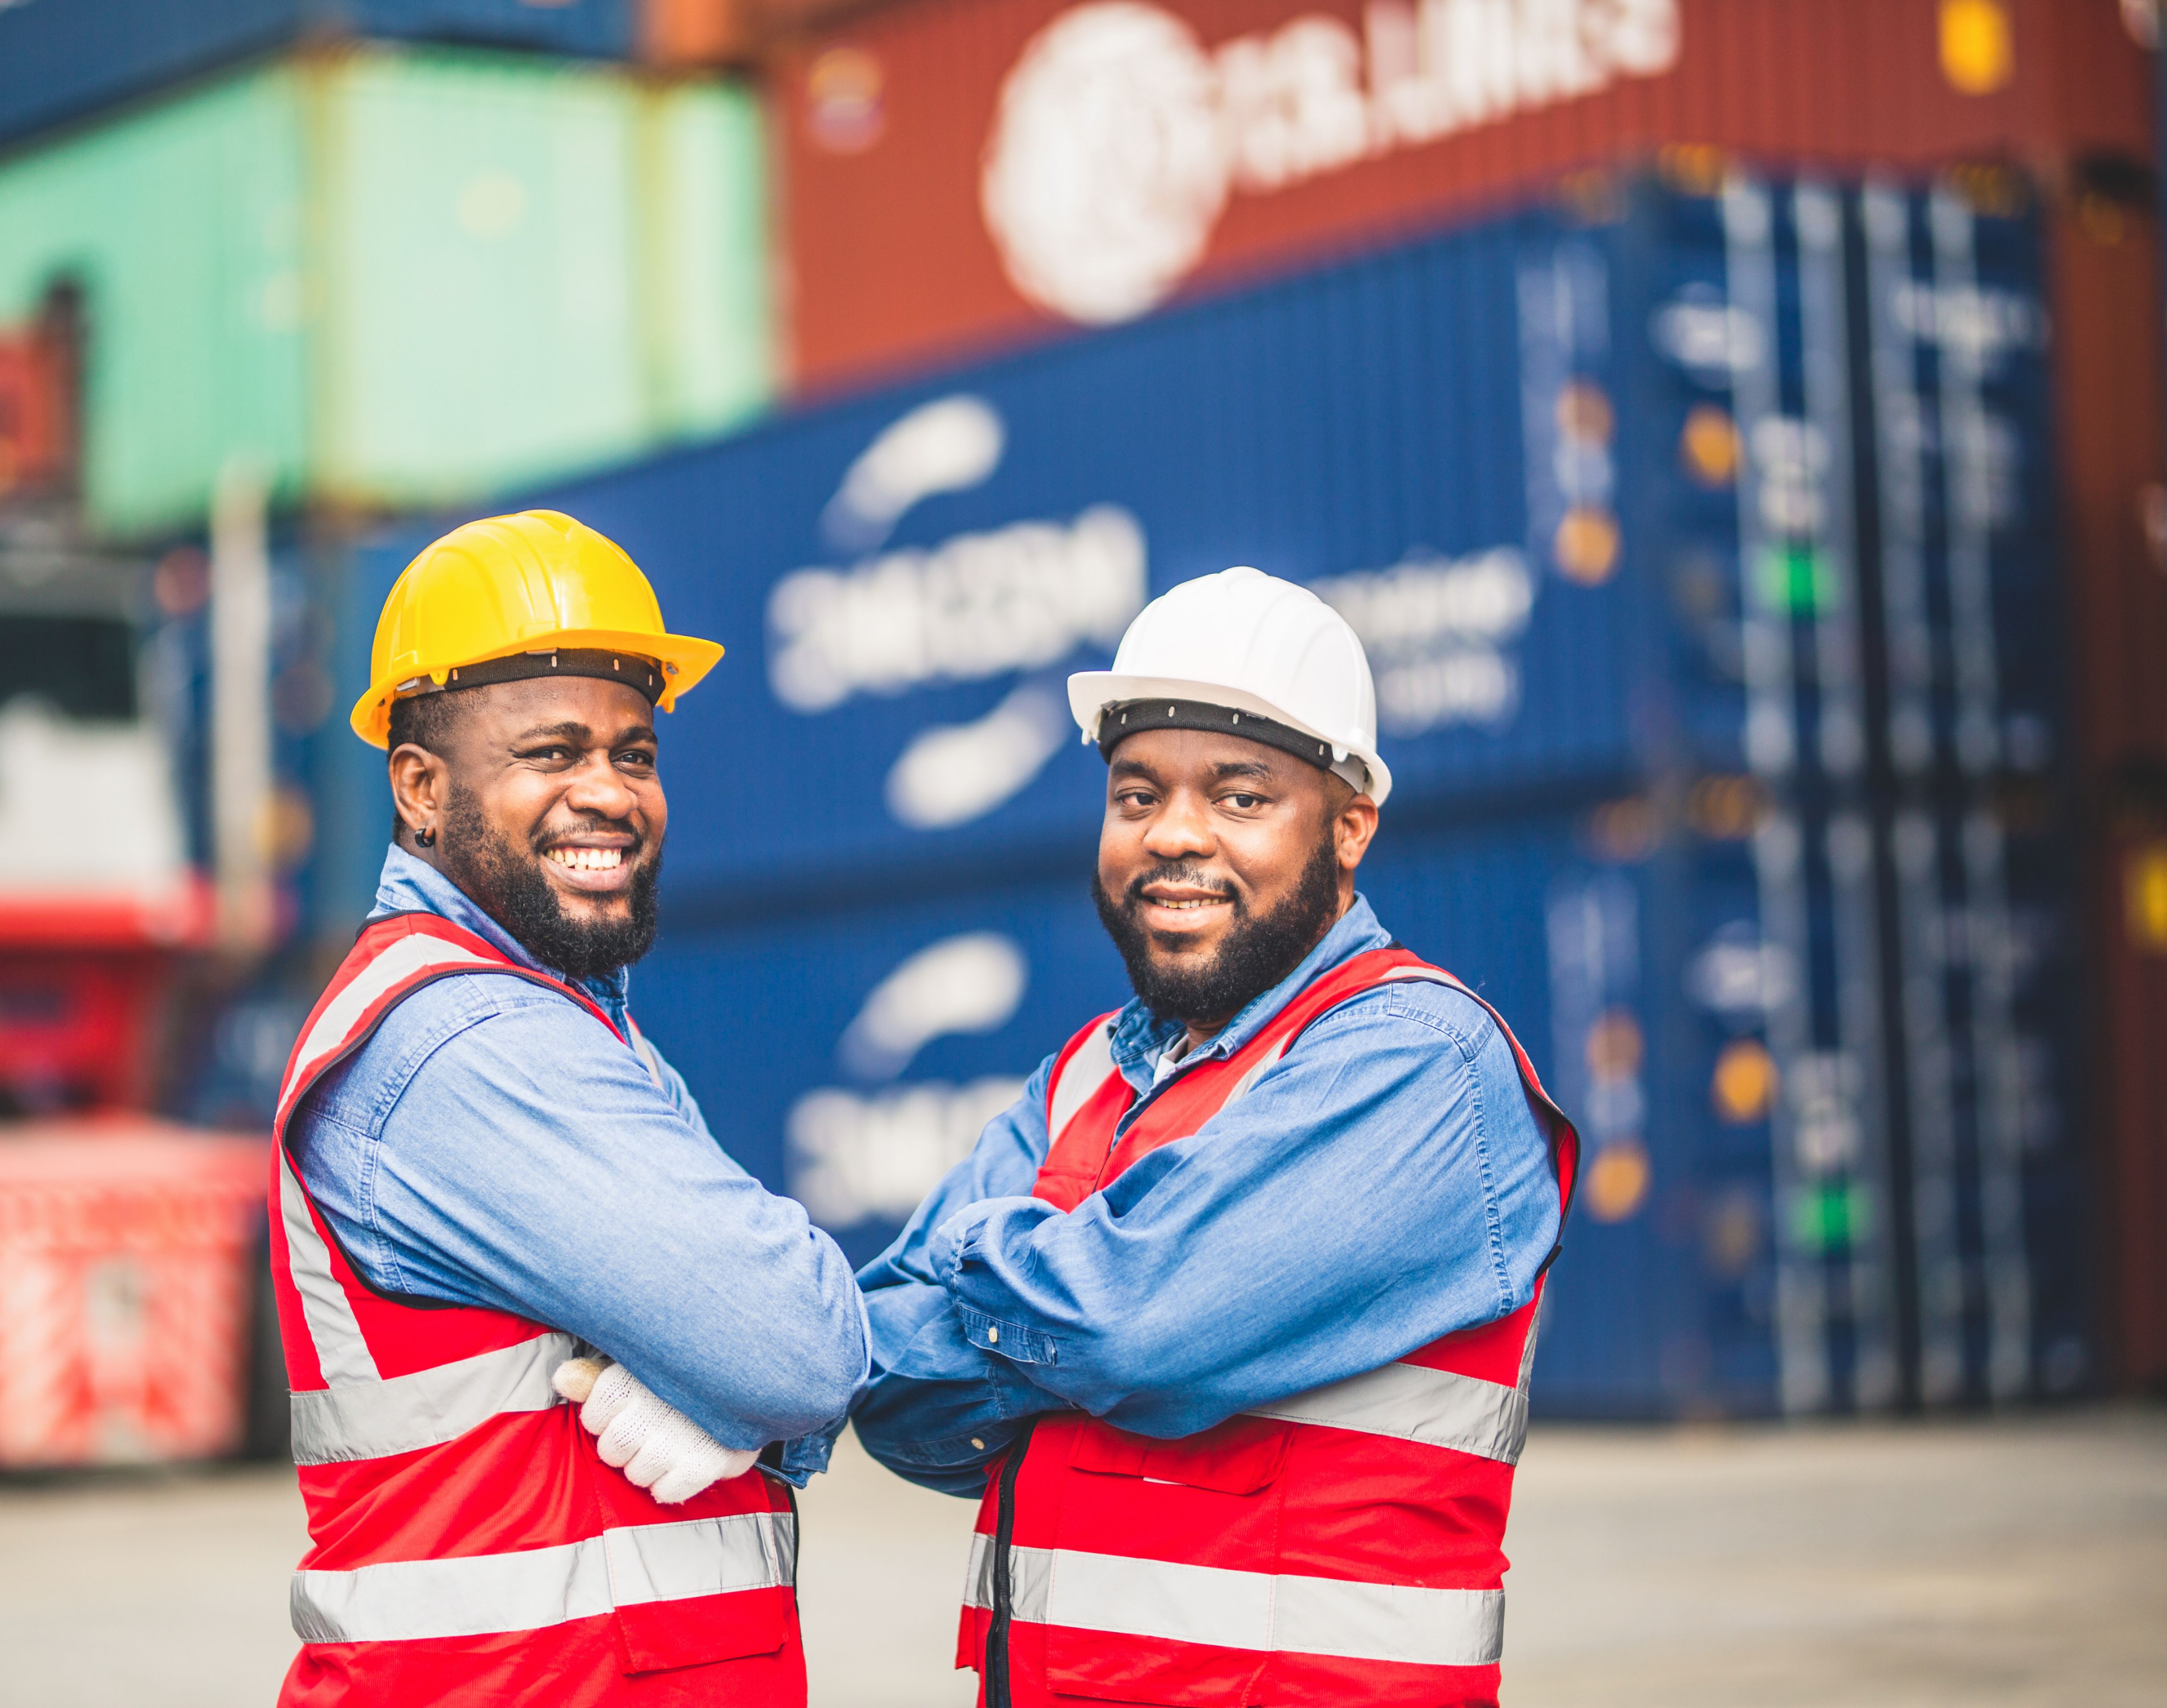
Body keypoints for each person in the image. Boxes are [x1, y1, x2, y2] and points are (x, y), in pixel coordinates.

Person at [849, 566, 1580, 1708]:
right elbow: (893, 1390)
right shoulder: (1082, 1075)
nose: (1175, 837)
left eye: (1240, 798)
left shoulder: (1418, 1064)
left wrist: (974, 1260)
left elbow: (1128, 1329)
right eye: (1138, 796)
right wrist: (1081, 1302)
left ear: (1348, 828)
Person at [267, 510, 866, 1707]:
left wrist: (742, 1397)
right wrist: (758, 1394)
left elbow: (764, 1352)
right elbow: (798, 1342)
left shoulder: (565, 1018)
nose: (610, 794)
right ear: (422, 788)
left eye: (633, 754)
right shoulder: (465, 1042)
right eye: (552, 753)